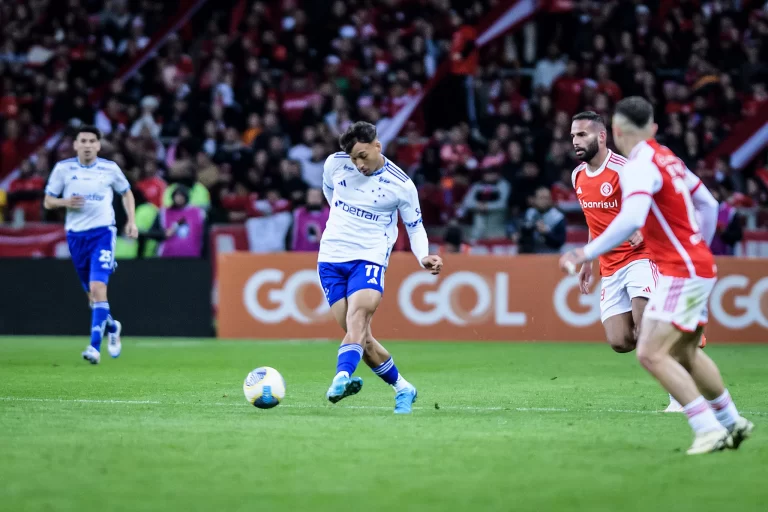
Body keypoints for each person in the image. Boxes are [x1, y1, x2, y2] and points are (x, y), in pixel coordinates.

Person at [560, 97, 753, 455]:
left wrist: (584, 253)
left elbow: (633, 220)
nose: (574, 140)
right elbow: (709, 205)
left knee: (651, 352)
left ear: (612, 133)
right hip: (694, 264)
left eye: (582, 133)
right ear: (653, 128)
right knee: (672, 350)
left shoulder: (634, 166)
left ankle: (707, 428)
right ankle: (732, 422)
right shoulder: (668, 158)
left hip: (664, 264)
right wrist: (699, 245)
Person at [571, 111, 704, 412]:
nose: (576, 141)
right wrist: (587, 261)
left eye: (582, 135)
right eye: (573, 136)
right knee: (620, 341)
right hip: (610, 266)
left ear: (602, 136)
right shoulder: (577, 175)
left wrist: (644, 233)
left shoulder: (624, 169)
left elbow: (656, 206)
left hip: (641, 258)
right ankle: (679, 333)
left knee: (646, 329)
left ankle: (679, 397)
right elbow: (595, 222)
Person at [319, 121, 443, 414]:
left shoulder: (401, 185)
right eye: (353, 158)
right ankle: (403, 388)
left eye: (363, 155)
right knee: (360, 336)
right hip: (330, 258)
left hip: (370, 257)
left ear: (378, 145)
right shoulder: (335, 165)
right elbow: (328, 190)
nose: (358, 164)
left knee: (358, 318)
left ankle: (341, 378)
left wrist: (423, 256)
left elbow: (415, 228)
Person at [44, 126, 138, 364]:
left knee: (98, 290)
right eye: (83, 140)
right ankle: (113, 327)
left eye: (92, 141)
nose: (87, 145)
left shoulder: (110, 169)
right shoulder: (63, 169)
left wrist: (131, 221)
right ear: (75, 145)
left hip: (103, 233)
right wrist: (66, 201)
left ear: (98, 145)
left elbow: (126, 193)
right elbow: (48, 201)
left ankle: (94, 348)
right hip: (76, 236)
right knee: (93, 297)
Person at [518, 187, 566, 254]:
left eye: (546, 198)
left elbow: (560, 241)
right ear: (534, 199)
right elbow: (518, 234)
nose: (544, 201)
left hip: (551, 255)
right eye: (541, 198)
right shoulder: (529, 213)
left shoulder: (558, 217)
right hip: (531, 255)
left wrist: (546, 233)